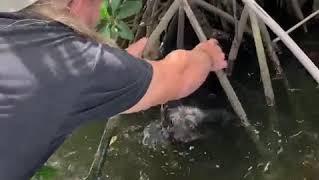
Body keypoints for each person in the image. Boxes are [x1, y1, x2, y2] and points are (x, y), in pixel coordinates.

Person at [0, 0, 227, 179]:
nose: (98, 15)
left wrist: (122, 73)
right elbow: (180, 76)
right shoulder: (76, 60)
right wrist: (207, 55)